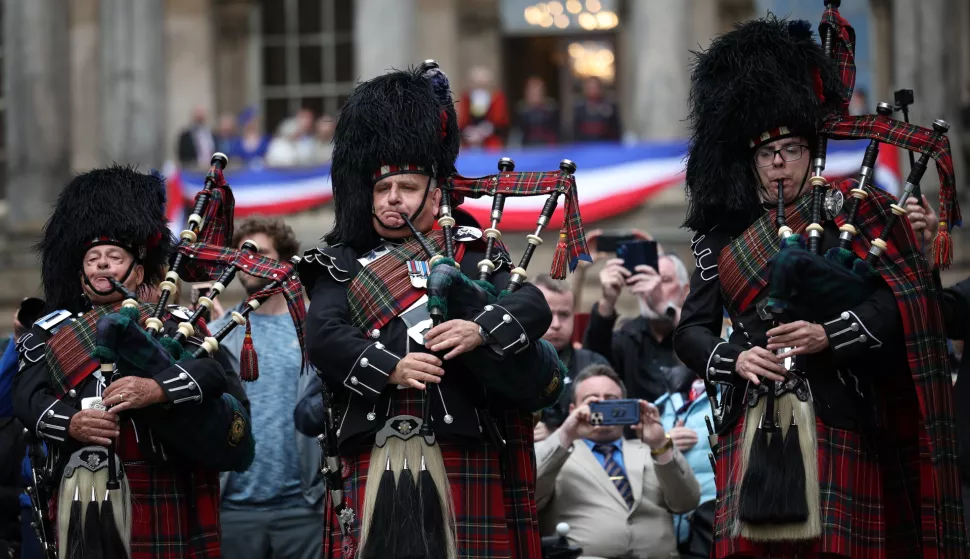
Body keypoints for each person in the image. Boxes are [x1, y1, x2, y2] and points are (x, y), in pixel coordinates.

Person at [674, 14, 965, 558]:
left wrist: (831, 334)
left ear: (812, 153)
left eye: (791, 149)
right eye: (766, 153)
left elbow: (903, 304)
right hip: (752, 420)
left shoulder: (856, 214)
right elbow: (690, 330)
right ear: (752, 162)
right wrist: (733, 359)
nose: (779, 163)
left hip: (840, 412)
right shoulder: (720, 237)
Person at [298, 62, 557, 558]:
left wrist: (481, 329)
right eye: (382, 189)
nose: (393, 199)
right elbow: (324, 334)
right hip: (375, 447)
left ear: (435, 193)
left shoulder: (473, 253)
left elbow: (531, 305)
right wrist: (389, 367)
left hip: (465, 444)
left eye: (407, 187)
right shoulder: (339, 261)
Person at [12, 165, 254, 558]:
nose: (103, 264)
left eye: (114, 256)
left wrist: (157, 390)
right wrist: (71, 422)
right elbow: (25, 396)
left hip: (162, 484)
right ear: (81, 274)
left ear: (138, 269)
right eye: (93, 258)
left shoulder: (178, 325)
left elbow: (211, 375)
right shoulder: (50, 332)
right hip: (81, 485)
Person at [210, 217, 324, 559]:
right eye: (242, 253)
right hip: (233, 507)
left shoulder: (318, 332)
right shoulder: (215, 335)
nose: (248, 260)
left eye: (259, 252)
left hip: (303, 507)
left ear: (286, 264)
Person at [535, 365, 700, 558]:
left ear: (625, 405)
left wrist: (660, 443)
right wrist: (565, 434)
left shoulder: (651, 450)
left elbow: (687, 502)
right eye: (592, 402)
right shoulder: (556, 451)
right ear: (573, 409)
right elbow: (530, 495)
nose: (603, 406)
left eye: (612, 401)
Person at [584, 253, 691, 403]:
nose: (652, 287)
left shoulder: (695, 332)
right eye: (646, 278)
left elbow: (705, 345)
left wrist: (664, 307)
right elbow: (593, 363)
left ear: (685, 291)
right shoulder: (628, 335)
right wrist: (607, 301)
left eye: (665, 280)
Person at [531, 274, 608, 438]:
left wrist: (558, 433)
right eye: (548, 314)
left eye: (564, 314)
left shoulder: (595, 366)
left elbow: (608, 427)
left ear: (574, 315)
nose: (556, 324)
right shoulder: (509, 363)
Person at [572, 77, 620, 143]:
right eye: (590, 87)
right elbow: (575, 131)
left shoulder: (610, 106)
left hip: (606, 146)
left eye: (595, 87)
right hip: (584, 147)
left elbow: (616, 129)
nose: (593, 90)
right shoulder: (579, 107)